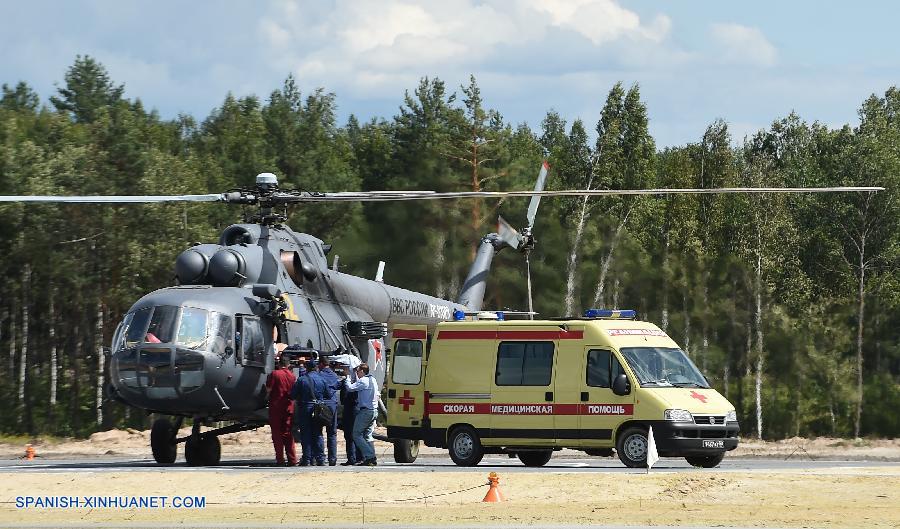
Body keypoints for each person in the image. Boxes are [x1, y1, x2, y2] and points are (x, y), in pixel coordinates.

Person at [291, 360, 330, 465]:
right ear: (316, 368)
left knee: (306, 434)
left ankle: (307, 459)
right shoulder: (322, 379)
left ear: (307, 368)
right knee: (318, 434)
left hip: (305, 408)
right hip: (318, 409)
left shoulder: (301, 380)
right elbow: (329, 394)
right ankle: (320, 459)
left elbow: (293, 395)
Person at [343, 362, 379, 466]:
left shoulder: (363, 381)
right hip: (373, 411)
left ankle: (370, 456)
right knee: (367, 435)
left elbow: (350, 388)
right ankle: (371, 457)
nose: (357, 373)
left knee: (356, 434)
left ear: (362, 371)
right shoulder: (372, 379)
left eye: (358, 371)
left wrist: (347, 377)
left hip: (366, 411)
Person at [265, 354, 297, 466]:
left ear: (279, 363)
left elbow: (268, 389)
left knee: (277, 434)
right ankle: (292, 459)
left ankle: (280, 460)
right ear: (288, 365)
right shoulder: (292, 376)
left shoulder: (275, 374)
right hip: (288, 407)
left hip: (276, 407)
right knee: (288, 433)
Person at [317, 358, 342, 466]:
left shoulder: (319, 375)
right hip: (332, 405)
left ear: (321, 364)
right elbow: (338, 386)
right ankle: (332, 459)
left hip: (321, 405)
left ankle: (321, 458)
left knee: (318, 432)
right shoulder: (334, 376)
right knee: (332, 433)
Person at [339, 373, 364, 466]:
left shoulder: (350, 386)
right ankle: (358, 457)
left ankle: (353, 458)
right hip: (355, 410)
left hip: (350, 411)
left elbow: (343, 399)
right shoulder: (359, 384)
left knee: (350, 436)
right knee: (356, 435)